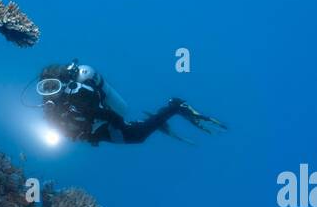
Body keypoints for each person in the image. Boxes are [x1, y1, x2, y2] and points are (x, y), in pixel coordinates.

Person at [36, 61, 225, 146]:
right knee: (136, 133)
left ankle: (175, 106)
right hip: (94, 132)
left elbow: (110, 115)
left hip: (103, 126)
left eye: (53, 86)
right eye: (45, 88)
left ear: (63, 84)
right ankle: (154, 121)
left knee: (138, 137)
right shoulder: (50, 106)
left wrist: (120, 125)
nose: (50, 92)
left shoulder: (79, 98)